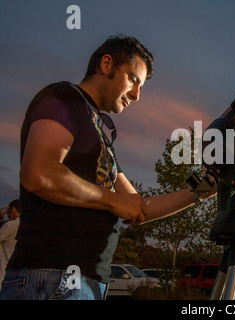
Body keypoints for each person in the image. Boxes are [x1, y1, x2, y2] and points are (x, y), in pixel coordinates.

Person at [0, 35, 215, 300]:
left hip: (87, 283)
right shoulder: (65, 97)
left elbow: (138, 207)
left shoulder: (100, 135)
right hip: (51, 277)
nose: (137, 95)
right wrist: (112, 200)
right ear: (106, 64)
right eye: (134, 79)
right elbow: (39, 172)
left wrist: (203, 190)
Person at [0, 200, 21, 291]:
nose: (7, 214)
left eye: (8, 210)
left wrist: (0, 220)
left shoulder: (10, 225)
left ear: (13, 209)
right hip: (17, 274)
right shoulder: (25, 225)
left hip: (3, 271)